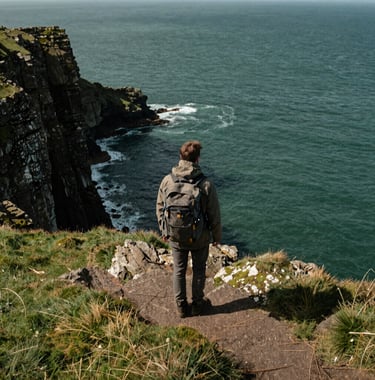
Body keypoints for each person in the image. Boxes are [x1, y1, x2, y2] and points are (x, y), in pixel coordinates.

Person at [156, 140, 222, 318]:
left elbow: (160, 207)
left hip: (175, 236)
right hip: (199, 236)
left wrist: (164, 230)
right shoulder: (205, 184)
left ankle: (181, 307)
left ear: (180, 157)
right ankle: (198, 305)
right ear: (197, 159)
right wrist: (217, 237)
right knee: (199, 270)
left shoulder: (167, 181)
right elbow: (214, 215)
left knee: (179, 269)